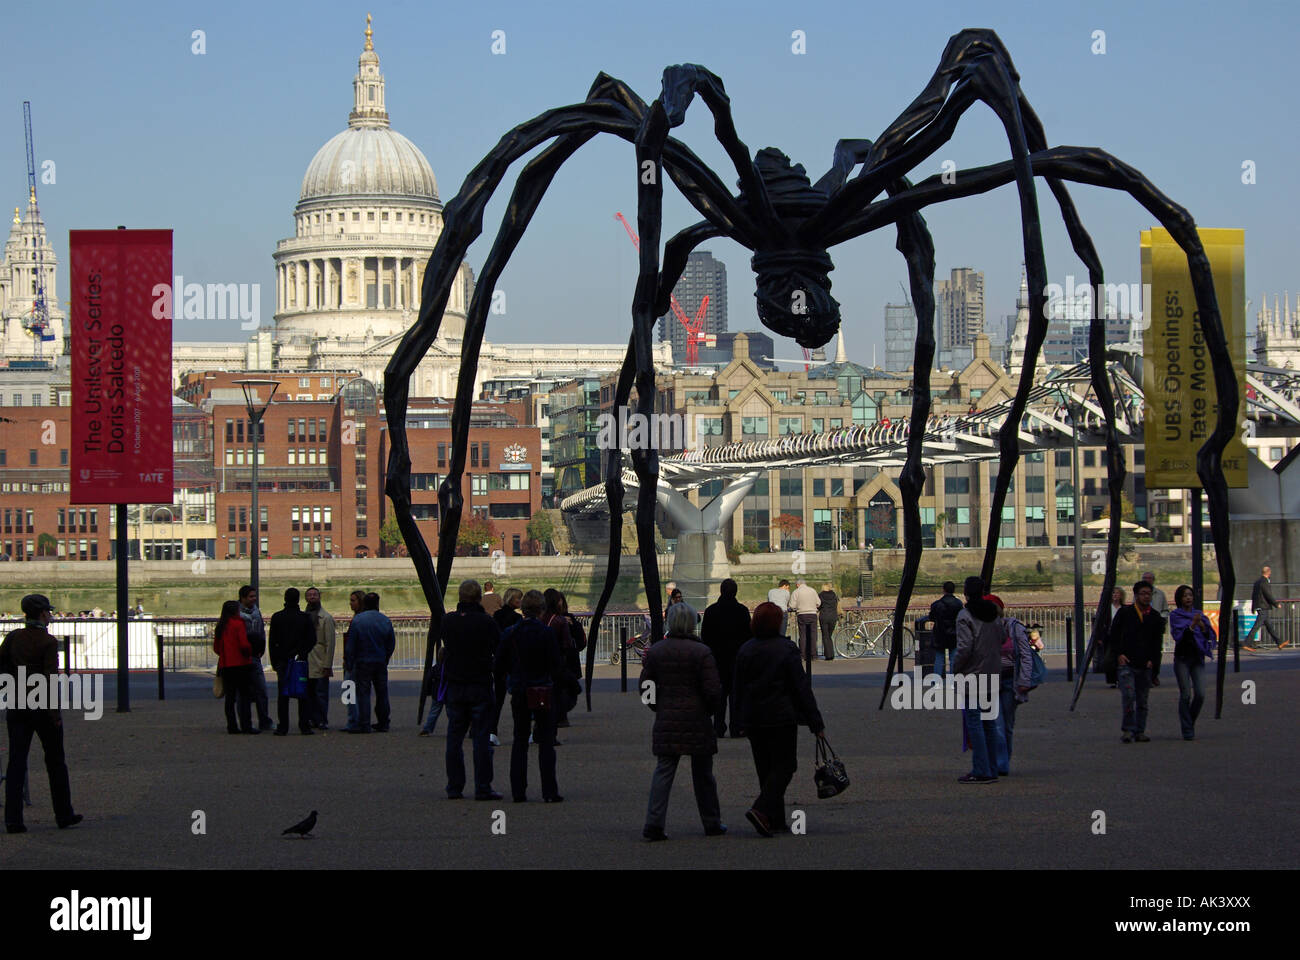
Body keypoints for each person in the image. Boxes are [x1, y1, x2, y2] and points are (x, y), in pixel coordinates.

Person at [734, 601, 826, 836]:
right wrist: (815, 722)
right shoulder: (786, 649)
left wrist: (738, 720)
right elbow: (801, 687)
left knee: (765, 769)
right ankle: (761, 809)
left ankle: (774, 819)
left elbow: (738, 688)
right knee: (786, 765)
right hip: (781, 716)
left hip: (754, 717)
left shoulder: (745, 649)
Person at [639, 602, 725, 841]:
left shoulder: (656, 651)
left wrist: (658, 707)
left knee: (664, 772)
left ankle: (654, 823)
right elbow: (712, 690)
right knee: (704, 775)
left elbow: (646, 686)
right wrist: (708, 710)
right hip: (697, 718)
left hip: (667, 716)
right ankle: (712, 822)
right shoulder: (702, 652)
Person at [2, 594, 82, 832]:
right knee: (56, 762)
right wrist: (54, 715)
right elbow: (49, 681)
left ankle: (14, 820)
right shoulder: (47, 642)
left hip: (17, 706)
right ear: (42, 614)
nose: (50, 615)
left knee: (16, 763)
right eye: (48, 611)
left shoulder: (13, 637)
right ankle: (63, 814)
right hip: (41, 709)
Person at [494, 589, 564, 803]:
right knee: (545, 742)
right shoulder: (547, 633)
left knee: (520, 740)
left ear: (523, 609)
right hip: (542, 689)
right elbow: (556, 665)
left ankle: (518, 790)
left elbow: (499, 665)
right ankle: (549, 791)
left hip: (520, 689)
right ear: (541, 610)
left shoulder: (510, 633)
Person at [440, 580, 502, 801]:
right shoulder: (486, 622)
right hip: (480, 683)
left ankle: (454, 786)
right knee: (481, 738)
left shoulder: (448, 621)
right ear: (478, 598)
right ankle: (483, 786)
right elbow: (498, 648)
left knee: (454, 738)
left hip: (455, 684)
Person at [952, 576, 1003, 784]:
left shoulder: (965, 615)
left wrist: (956, 668)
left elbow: (964, 647)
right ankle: (992, 766)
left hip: (972, 674)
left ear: (966, 592)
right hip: (992, 672)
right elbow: (1002, 637)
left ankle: (981, 769)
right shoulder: (994, 614)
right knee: (989, 722)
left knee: (974, 722)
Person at [1108, 580, 1165, 743]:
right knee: (1128, 695)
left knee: (1142, 700)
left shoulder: (1154, 616)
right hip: (1127, 662)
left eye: (1149, 594)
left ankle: (1140, 730)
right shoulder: (1125, 613)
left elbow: (1157, 643)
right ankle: (1127, 729)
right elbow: (1113, 635)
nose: (1146, 597)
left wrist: (1154, 663)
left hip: (1145, 664)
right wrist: (1118, 654)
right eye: (1143, 594)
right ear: (1136, 595)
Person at [987, 595, 1033, 777]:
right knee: (997, 723)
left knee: (1007, 724)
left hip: (1009, 681)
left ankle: (1004, 759)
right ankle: (1001, 763)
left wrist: (1024, 681)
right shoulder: (984, 629)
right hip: (991, 681)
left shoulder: (1014, 628)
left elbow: (1026, 655)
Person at [700, 579, 750, 738]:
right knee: (736, 696)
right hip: (736, 658)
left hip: (717, 658)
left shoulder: (711, 611)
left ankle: (718, 727)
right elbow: (748, 636)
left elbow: (705, 636)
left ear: (721, 591)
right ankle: (737, 727)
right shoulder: (742, 611)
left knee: (719, 696)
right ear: (735, 592)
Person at [1170, 585, 1216, 740]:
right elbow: (1179, 636)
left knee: (1201, 693)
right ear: (1179, 599)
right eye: (1184, 596)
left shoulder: (1199, 615)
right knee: (1186, 694)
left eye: (1190, 595)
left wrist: (1202, 627)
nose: (1188, 598)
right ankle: (1187, 729)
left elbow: (1208, 634)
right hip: (1183, 658)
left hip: (1197, 657)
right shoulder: (1176, 615)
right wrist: (1192, 625)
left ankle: (1189, 721)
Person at [345, 592, 396, 733]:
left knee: (363, 693)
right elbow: (391, 643)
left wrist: (349, 662)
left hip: (362, 661)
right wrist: (386, 657)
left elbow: (351, 644)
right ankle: (383, 722)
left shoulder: (358, 620)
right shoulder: (385, 620)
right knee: (382, 693)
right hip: (379, 661)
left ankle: (364, 723)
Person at [269, 588, 316, 736]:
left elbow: (272, 642)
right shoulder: (305, 618)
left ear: (285, 599)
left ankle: (283, 726)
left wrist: (274, 661)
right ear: (298, 599)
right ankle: (304, 725)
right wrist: (302, 652)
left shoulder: (277, 617)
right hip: (300, 661)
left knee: (283, 695)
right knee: (303, 693)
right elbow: (312, 639)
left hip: (282, 660)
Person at [213, 600, 258, 735]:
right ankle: (246, 725)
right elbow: (244, 644)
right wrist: (250, 652)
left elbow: (216, 648)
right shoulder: (238, 624)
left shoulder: (220, 626)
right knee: (245, 697)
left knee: (230, 698)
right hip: (241, 664)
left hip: (226, 664)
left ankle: (232, 726)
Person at [487, 588, 524, 745]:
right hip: (513, 663)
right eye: (518, 599)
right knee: (518, 698)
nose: (520, 602)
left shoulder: (497, 616)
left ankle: (492, 731)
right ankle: (522, 732)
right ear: (512, 600)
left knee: (498, 698)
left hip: (499, 661)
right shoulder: (516, 618)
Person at [238, 585, 274, 730]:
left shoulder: (256, 611)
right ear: (243, 598)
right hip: (242, 658)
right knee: (243, 693)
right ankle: (246, 722)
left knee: (261, 691)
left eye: (254, 596)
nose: (254, 599)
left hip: (255, 656)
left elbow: (261, 632)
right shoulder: (237, 614)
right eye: (251, 596)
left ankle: (264, 720)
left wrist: (261, 648)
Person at [543, 589, 580, 731]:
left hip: (544, 663)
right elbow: (568, 644)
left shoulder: (540, 619)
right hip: (559, 663)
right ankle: (558, 719)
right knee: (562, 691)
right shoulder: (562, 621)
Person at [304, 587, 336, 730]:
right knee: (308, 693)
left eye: (314, 594)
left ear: (319, 597)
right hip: (306, 660)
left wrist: (328, 664)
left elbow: (330, 643)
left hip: (320, 660)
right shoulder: (303, 616)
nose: (312, 597)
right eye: (309, 595)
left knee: (321, 693)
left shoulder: (326, 618)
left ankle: (322, 719)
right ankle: (311, 718)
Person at [1244, 565, 1287, 651]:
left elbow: (1254, 595)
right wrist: (1276, 604)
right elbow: (1268, 594)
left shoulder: (1257, 582)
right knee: (1257, 626)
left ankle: (1279, 642)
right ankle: (1246, 643)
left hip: (1260, 606)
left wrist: (1253, 607)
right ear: (1269, 572)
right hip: (1263, 606)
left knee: (1269, 626)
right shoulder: (1264, 582)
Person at [928, 581, 964, 678]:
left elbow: (931, 617)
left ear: (943, 590)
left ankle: (937, 682)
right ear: (953, 590)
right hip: (954, 634)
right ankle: (953, 681)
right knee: (953, 659)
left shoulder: (936, 604)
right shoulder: (958, 604)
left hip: (940, 634)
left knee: (939, 658)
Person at [342, 590, 365, 732]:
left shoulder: (357, 620)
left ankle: (353, 720)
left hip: (354, 661)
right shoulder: (359, 618)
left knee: (349, 691)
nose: (350, 603)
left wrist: (348, 659)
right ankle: (358, 719)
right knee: (359, 692)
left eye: (353, 600)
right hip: (361, 660)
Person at [1143, 573, 1169, 684]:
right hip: (1143, 626)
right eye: (1145, 578)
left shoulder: (1160, 594)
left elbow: (1165, 609)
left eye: (1149, 578)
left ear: (1153, 580)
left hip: (1156, 627)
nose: (1147, 580)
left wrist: (1161, 621)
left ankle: (1154, 675)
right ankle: (1145, 675)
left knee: (1157, 652)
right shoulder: (1138, 594)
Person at [789, 578, 821, 662]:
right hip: (812, 614)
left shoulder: (796, 592)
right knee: (813, 635)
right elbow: (819, 602)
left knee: (803, 635)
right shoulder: (812, 590)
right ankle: (814, 655)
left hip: (802, 614)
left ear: (798, 584)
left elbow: (792, 605)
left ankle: (803, 655)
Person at [816, 582, 839, 661]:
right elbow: (836, 604)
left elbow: (818, 606)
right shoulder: (834, 595)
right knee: (829, 635)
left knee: (825, 635)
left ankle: (828, 655)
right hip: (833, 616)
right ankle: (831, 653)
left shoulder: (820, 595)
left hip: (824, 616)